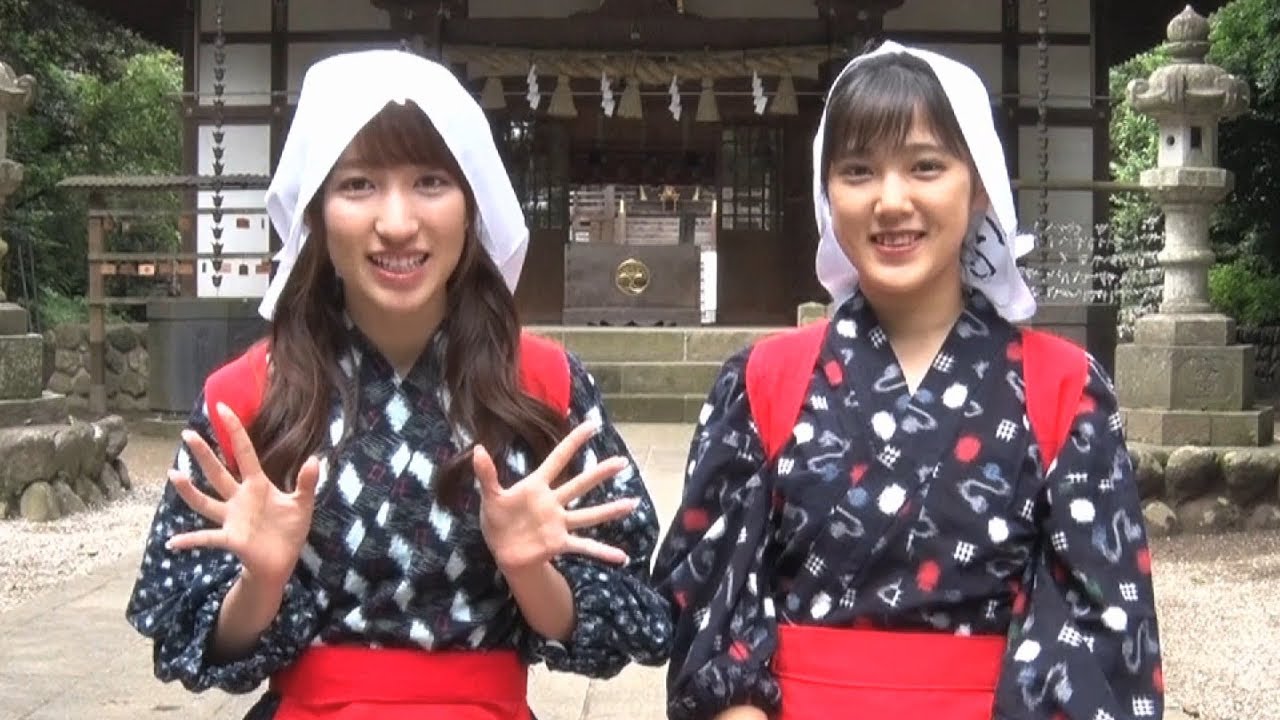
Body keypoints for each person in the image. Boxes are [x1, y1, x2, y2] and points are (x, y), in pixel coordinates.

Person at [125, 49, 671, 720]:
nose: (397, 223)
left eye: (430, 181)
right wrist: (261, 582)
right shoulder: (247, 398)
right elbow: (188, 628)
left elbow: (630, 614)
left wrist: (530, 571)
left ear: (471, 204)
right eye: (358, 184)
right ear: (316, 210)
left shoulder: (544, 387)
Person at [652, 41, 1162, 720]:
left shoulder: (1064, 388)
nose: (891, 202)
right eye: (858, 171)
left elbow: (1102, 630)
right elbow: (706, 599)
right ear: (827, 193)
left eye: (926, 166)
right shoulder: (762, 382)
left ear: (977, 184)